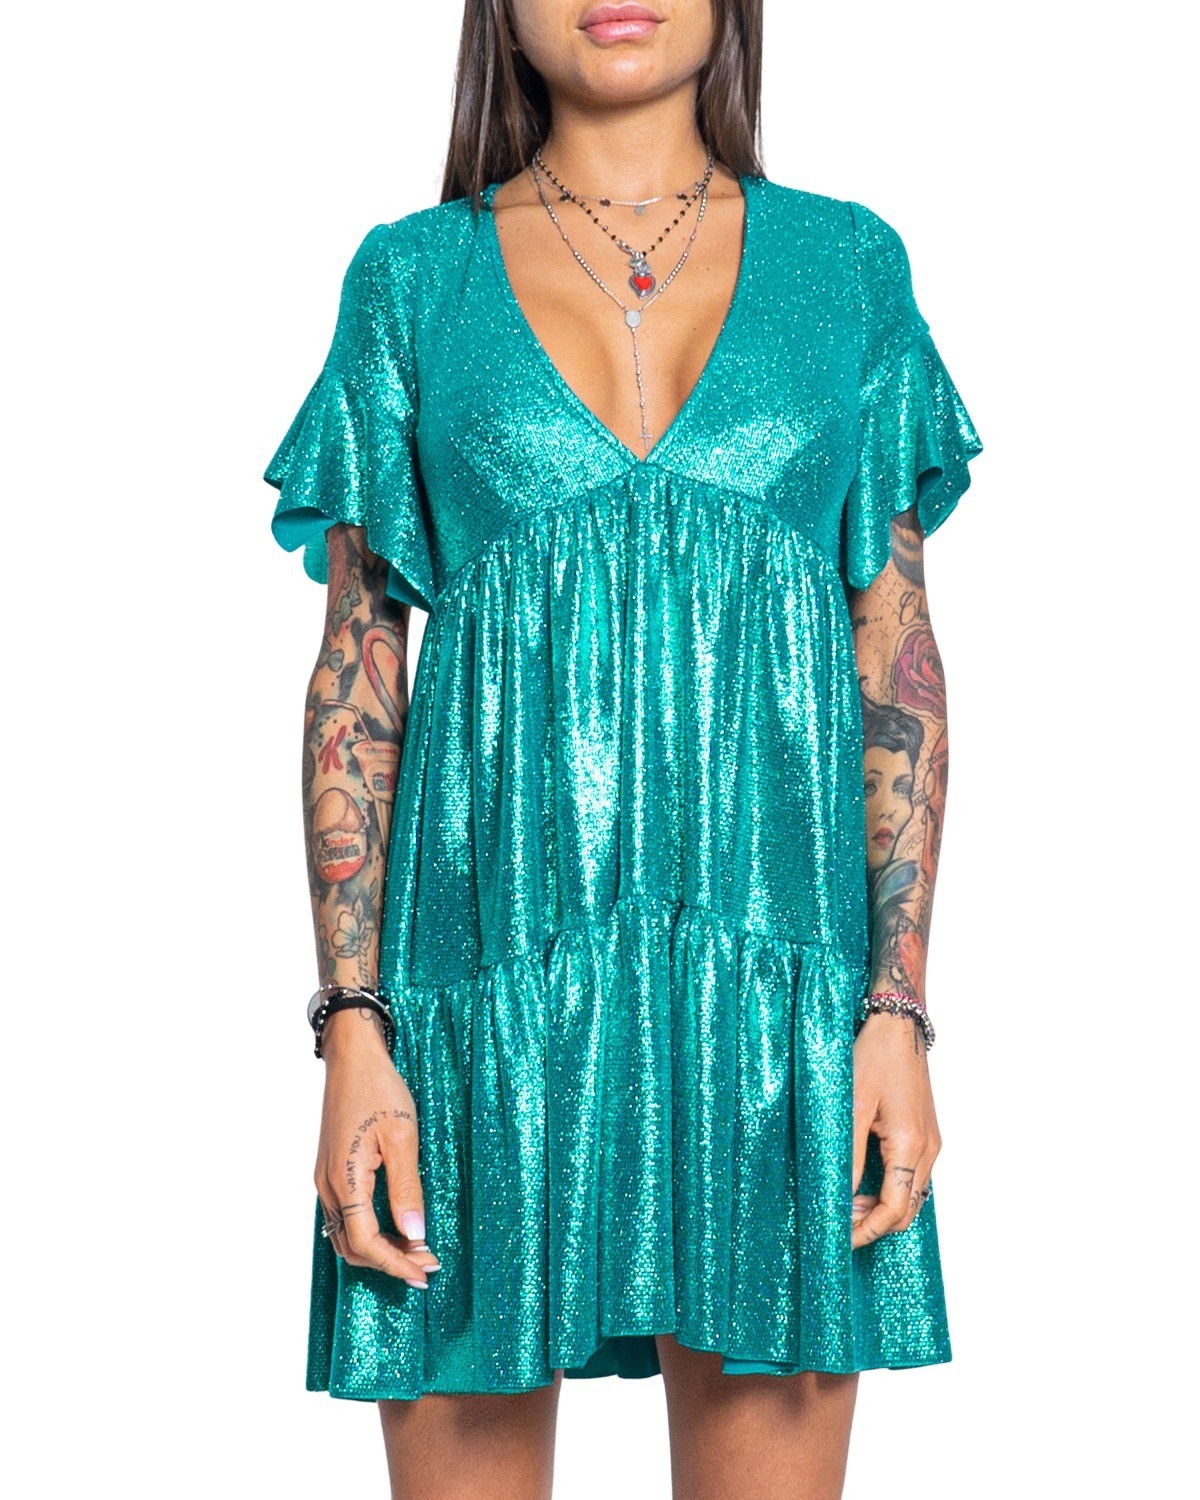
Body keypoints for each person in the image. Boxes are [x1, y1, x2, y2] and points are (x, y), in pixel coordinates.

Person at [263, 2, 984, 1495]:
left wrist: (896, 1013)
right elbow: (355, 676)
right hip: (480, 1001)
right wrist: (353, 1031)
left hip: (777, 1011)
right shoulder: (413, 278)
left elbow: (896, 660)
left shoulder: (849, 265)